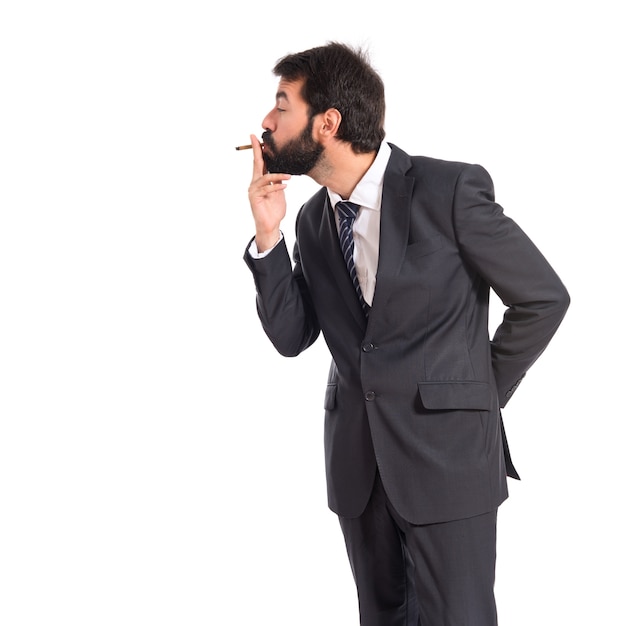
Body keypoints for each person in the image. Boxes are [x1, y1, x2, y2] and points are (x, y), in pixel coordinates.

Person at [242, 41, 569, 626]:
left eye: (281, 104)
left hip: (449, 460)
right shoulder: (315, 221)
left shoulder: (449, 192)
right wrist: (270, 238)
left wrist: (478, 394)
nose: (265, 122)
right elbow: (293, 336)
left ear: (329, 121)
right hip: (359, 468)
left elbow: (543, 297)